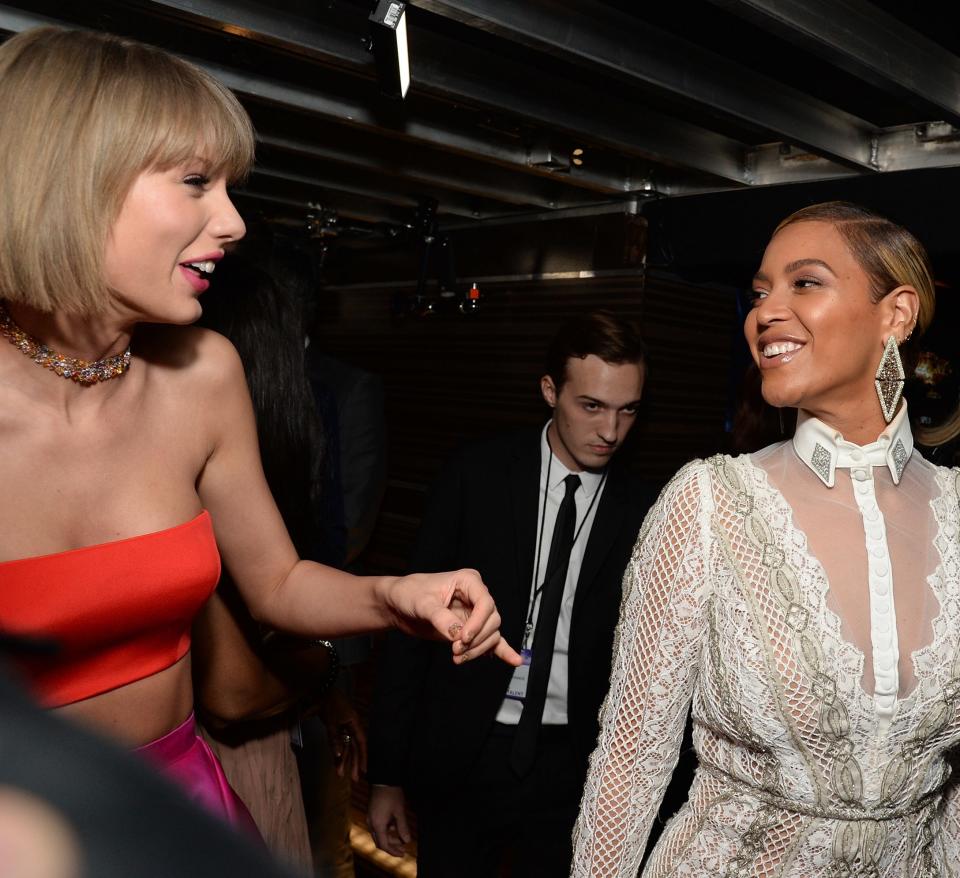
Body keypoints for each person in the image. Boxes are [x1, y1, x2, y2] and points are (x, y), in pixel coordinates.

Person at [0, 24, 518, 830]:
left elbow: (274, 585)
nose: (235, 223)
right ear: (76, 182)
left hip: (180, 808)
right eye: (198, 182)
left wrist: (393, 596)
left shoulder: (203, 374)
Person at [571, 201, 960, 877]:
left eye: (804, 283)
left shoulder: (956, 513)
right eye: (758, 293)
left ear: (895, 315)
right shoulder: (709, 503)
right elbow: (631, 760)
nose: (764, 313)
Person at [367, 311, 655, 876]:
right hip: (463, 753)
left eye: (628, 410)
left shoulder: (647, 510)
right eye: (591, 406)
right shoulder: (477, 474)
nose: (611, 431)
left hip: (573, 771)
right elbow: (409, 633)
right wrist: (386, 775)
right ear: (550, 391)